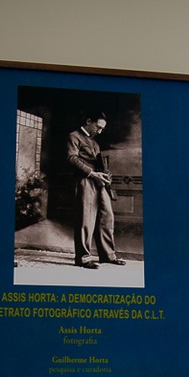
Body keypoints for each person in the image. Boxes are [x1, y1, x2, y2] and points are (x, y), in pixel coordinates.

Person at [66, 112, 126, 270]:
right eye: (98, 127)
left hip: (99, 182)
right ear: (88, 121)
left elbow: (99, 164)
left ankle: (108, 255)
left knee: (107, 217)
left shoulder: (95, 143)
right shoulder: (74, 136)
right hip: (85, 181)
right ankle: (83, 258)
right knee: (85, 220)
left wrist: (106, 173)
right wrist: (92, 173)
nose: (100, 131)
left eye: (102, 129)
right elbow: (71, 158)